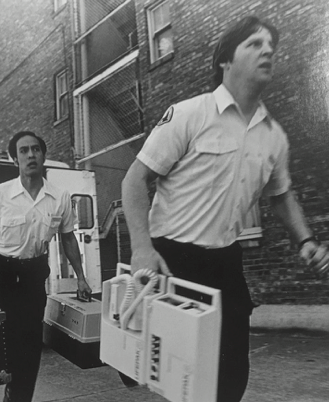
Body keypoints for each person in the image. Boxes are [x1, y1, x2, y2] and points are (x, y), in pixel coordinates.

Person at [121, 15, 329, 402]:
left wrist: (306, 240)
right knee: (175, 375)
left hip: (226, 262)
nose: (267, 50)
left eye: (271, 45)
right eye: (254, 44)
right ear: (225, 61)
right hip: (174, 258)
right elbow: (134, 180)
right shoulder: (189, 114)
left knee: (231, 375)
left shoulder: (273, 136)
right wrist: (141, 248)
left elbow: (281, 194)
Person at [0, 131, 92, 402]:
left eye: (36, 149)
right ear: (15, 159)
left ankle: (18, 396)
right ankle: (15, 389)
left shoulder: (59, 197)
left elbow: (68, 237)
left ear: (43, 155)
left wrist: (81, 277)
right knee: (14, 338)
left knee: (31, 344)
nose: (31, 155)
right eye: (24, 151)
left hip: (34, 273)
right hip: (2, 273)